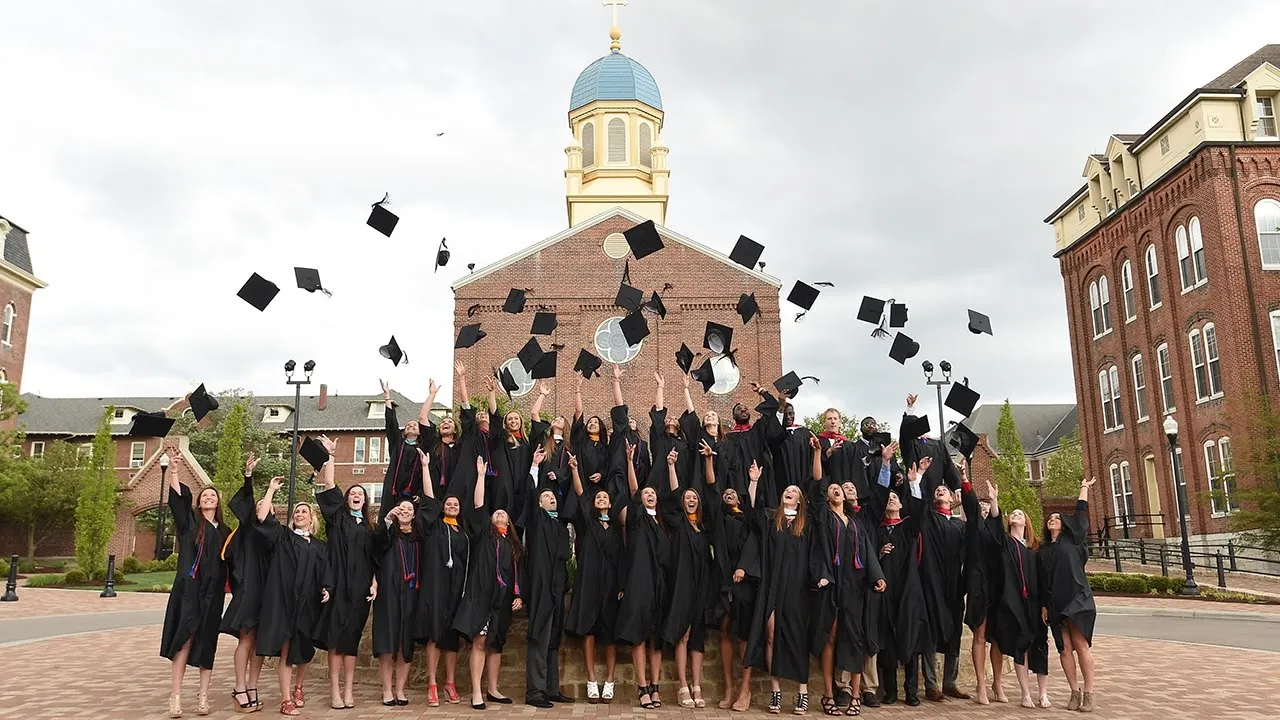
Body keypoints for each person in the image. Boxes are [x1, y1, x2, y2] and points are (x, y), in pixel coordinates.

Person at [744, 466, 833, 715]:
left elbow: (816, 551)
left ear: (800, 499)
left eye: (794, 491)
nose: (789, 492)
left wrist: (822, 575)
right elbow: (750, 515)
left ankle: (802, 692)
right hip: (773, 586)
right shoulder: (773, 519)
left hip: (797, 588)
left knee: (796, 636)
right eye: (786, 490)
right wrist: (753, 482)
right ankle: (776, 690)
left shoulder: (807, 524)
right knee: (771, 634)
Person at [810, 436, 887, 718]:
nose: (837, 491)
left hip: (854, 585)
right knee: (829, 639)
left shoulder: (856, 523)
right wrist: (819, 454)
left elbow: (866, 552)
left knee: (854, 638)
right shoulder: (823, 517)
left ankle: (855, 695)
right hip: (831, 584)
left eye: (839, 488)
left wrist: (876, 576)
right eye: (832, 489)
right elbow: (818, 486)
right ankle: (829, 694)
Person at [253, 476, 329, 717]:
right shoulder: (284, 537)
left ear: (312, 518)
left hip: (308, 604)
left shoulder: (319, 546)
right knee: (286, 651)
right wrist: (271, 490)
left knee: (304, 651)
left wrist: (327, 588)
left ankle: (299, 687)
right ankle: (286, 699)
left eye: (304, 511)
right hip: (285, 603)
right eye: (297, 511)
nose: (299, 514)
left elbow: (325, 573)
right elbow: (263, 517)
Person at [452, 454, 523, 710]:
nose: (500, 513)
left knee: (496, 643)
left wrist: (518, 594)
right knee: (480, 642)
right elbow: (479, 505)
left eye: (504, 512)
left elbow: (517, 573)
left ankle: (493, 689)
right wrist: (481, 476)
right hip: (482, 595)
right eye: (497, 512)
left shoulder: (513, 544)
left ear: (509, 521)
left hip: (503, 599)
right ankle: (476, 691)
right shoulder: (484, 534)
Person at [160, 463, 230, 719]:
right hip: (190, 589)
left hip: (213, 594)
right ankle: (175, 696)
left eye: (213, 496)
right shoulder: (190, 523)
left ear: (217, 503)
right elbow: (179, 499)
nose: (209, 498)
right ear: (199, 503)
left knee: (208, 641)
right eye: (205, 496)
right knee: (184, 639)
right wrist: (175, 470)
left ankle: (203, 696)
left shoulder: (224, 532)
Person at [313, 436, 377, 710]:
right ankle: (335, 691)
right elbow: (329, 485)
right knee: (336, 639)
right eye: (353, 494)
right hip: (339, 585)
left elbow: (374, 559)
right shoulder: (338, 518)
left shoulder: (369, 529)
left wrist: (375, 582)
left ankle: (349, 689)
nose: (355, 496)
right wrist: (331, 455)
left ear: (365, 501)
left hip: (361, 588)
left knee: (352, 638)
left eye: (360, 495)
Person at [701, 434, 758, 712]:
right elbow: (712, 487)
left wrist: (743, 567)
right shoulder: (719, 519)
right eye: (726, 495)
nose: (728, 495)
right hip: (723, 578)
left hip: (744, 578)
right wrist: (710, 461)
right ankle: (728, 687)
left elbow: (753, 540)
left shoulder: (747, 518)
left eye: (733, 493)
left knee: (744, 633)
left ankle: (745, 689)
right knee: (725, 629)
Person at [871, 457, 932, 707]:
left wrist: (914, 482)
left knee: (911, 637)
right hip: (885, 588)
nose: (892, 499)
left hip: (908, 588)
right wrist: (879, 553)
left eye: (896, 497)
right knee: (887, 640)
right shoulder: (877, 530)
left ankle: (912, 691)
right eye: (889, 498)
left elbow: (918, 510)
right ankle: (891, 691)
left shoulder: (907, 527)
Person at [660, 448, 717, 710]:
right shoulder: (677, 523)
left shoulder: (703, 528)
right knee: (682, 634)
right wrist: (671, 466)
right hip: (681, 586)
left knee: (697, 639)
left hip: (701, 587)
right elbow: (672, 495)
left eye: (694, 497)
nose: (691, 499)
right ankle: (683, 685)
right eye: (688, 497)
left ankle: (697, 685)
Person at [614, 439, 670, 709]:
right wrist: (629, 461)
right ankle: (642, 686)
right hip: (638, 582)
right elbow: (634, 488)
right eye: (646, 494)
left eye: (653, 494)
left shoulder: (661, 523)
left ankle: (656, 685)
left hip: (659, 583)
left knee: (655, 638)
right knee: (638, 634)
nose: (649, 495)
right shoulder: (637, 519)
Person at [565, 452, 624, 703]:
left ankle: (609, 680)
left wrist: (621, 585)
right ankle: (591, 679)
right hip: (589, 582)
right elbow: (579, 494)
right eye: (598, 496)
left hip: (610, 584)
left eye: (605, 497)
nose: (601, 498)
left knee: (609, 633)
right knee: (588, 630)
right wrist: (576, 469)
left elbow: (622, 558)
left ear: (610, 504)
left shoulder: (616, 528)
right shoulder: (588, 522)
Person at [985, 481, 1049, 709]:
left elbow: (1043, 581)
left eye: (1020, 514)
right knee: (1020, 643)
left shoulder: (1034, 550)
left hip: (1033, 603)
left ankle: (1043, 694)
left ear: (1027, 522)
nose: (1015, 515)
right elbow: (993, 525)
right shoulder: (1004, 543)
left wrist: (1044, 605)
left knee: (1039, 644)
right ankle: (1025, 694)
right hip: (1011, 602)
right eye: (1012, 513)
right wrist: (994, 501)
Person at [413, 448, 469, 707]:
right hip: (435, 587)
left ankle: (450, 682)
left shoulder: (464, 532)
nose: (452, 506)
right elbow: (428, 498)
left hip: (455, 589)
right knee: (435, 635)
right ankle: (433, 683)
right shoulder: (435, 526)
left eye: (456, 504)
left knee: (451, 639)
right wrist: (425, 467)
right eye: (449, 503)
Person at [523, 449, 577, 708]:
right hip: (540, 587)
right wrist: (534, 467)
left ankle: (551, 688)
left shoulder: (559, 525)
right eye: (545, 496)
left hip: (556, 587)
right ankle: (535, 691)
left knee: (554, 639)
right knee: (539, 638)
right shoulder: (537, 521)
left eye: (552, 496)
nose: (551, 498)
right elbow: (530, 493)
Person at [1042, 476, 1100, 713]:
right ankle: (1074, 691)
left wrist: (1083, 489)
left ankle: (1089, 693)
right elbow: (1043, 581)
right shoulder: (1044, 551)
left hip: (1077, 597)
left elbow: (1081, 514)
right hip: (1056, 602)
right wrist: (1044, 606)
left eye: (1057, 518)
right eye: (1049, 519)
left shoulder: (1073, 540)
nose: (1053, 520)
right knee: (1064, 648)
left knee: (1079, 643)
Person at [219, 453, 268, 713]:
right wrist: (248, 477)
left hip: (265, 594)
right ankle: (239, 688)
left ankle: (252, 686)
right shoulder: (249, 529)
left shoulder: (271, 534)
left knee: (260, 642)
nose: (263, 509)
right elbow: (246, 503)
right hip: (249, 590)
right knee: (246, 640)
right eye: (260, 505)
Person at [371, 491, 429, 707]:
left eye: (409, 510)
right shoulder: (388, 534)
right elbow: (375, 549)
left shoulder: (419, 538)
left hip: (412, 594)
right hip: (388, 592)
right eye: (401, 509)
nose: (405, 511)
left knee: (406, 643)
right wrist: (386, 520)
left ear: (414, 515)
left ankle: (400, 690)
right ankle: (387, 690)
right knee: (387, 642)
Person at [918, 472, 968, 702]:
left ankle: (950, 682)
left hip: (954, 584)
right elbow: (917, 500)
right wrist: (918, 477)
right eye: (937, 490)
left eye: (944, 490)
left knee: (954, 632)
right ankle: (931, 684)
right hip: (932, 582)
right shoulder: (929, 518)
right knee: (930, 632)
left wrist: (964, 481)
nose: (940, 490)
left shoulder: (960, 525)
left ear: (952, 498)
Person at [958, 461, 997, 705]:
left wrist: (994, 500)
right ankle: (981, 685)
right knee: (980, 634)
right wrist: (964, 479)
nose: (983, 509)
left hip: (999, 587)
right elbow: (971, 505)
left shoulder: (997, 532)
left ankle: (997, 685)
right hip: (979, 585)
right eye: (981, 506)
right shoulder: (973, 527)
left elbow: (997, 517)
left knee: (999, 637)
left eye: (987, 505)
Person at [379, 379, 439, 503]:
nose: (411, 425)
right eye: (408, 425)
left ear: (420, 432)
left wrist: (432, 394)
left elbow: (423, 418)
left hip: (415, 493)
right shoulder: (398, 444)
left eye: (414, 425)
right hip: (394, 491)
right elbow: (391, 424)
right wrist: (387, 397)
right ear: (403, 432)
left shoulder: (424, 446)